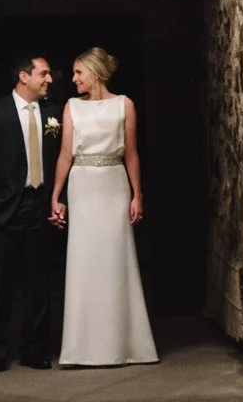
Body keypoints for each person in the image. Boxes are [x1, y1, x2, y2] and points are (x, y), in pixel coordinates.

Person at [49, 47, 158, 366]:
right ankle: (82, 348)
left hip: (113, 184)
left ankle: (123, 344)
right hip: (83, 185)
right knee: (84, 260)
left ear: (94, 73)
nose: (73, 79)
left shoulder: (124, 105)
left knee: (115, 258)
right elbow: (65, 155)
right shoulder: (71, 107)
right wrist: (57, 196)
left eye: (78, 73)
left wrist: (137, 195)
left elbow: (132, 154)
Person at [0, 53, 63, 377]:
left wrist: (55, 200)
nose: (49, 80)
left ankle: (35, 351)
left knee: (38, 284)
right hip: (4, 211)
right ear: (24, 76)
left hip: (39, 208)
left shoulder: (53, 113)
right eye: (44, 74)